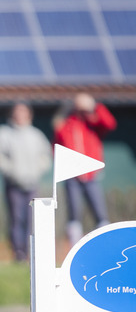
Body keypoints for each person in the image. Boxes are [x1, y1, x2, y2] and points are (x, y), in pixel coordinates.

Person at [0, 102, 52, 262]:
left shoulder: (36, 135)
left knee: (32, 220)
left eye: (23, 113)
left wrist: (36, 172)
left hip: (32, 184)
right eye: (17, 112)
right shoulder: (2, 133)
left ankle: (32, 254)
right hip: (13, 185)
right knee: (16, 219)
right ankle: (18, 254)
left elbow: (46, 156)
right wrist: (13, 173)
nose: (20, 116)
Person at [54, 93, 116, 245]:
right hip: (72, 176)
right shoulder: (66, 125)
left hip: (91, 176)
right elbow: (57, 146)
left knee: (100, 213)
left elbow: (110, 123)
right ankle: (74, 247)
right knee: (74, 213)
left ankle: (106, 244)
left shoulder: (92, 122)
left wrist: (94, 106)